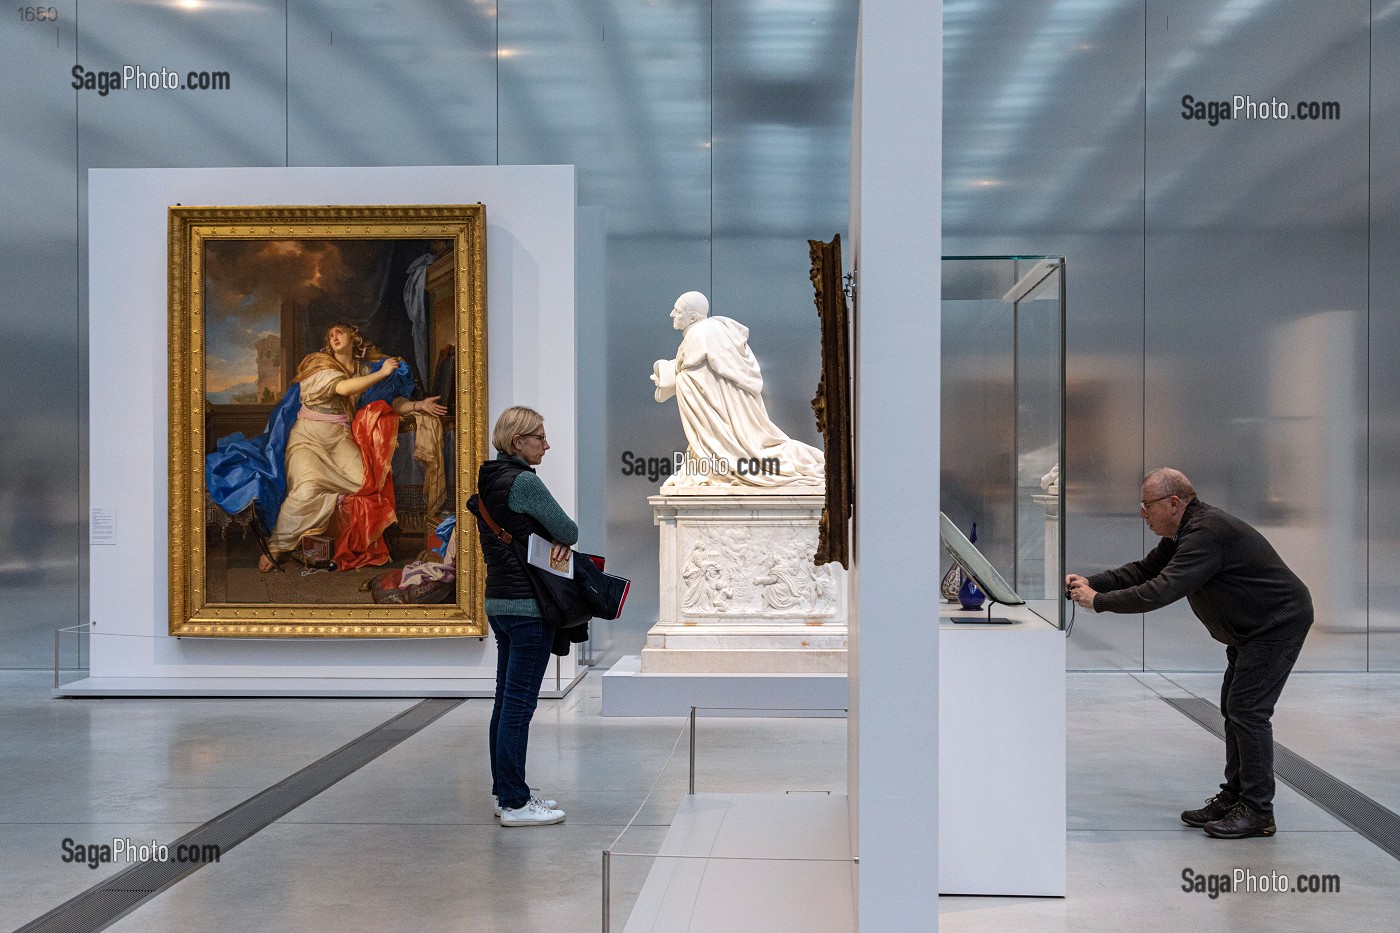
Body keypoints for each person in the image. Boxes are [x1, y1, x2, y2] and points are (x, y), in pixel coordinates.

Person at [1066, 468, 1313, 839]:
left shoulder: (1205, 535)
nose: (1142, 514)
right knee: (1235, 708)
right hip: (1252, 630)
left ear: (1174, 503)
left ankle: (1259, 810)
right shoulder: (1187, 531)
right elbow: (1146, 569)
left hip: (1276, 625)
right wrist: (1093, 582)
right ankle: (1235, 798)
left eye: (1147, 506)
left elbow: (1160, 590)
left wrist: (1099, 602)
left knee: (1247, 710)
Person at [258, 323, 447, 571]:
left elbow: (390, 402)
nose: (334, 337)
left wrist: (418, 406)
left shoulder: (366, 369)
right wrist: (382, 374)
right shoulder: (320, 364)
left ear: (353, 337)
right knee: (306, 489)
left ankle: (327, 533)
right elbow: (343, 388)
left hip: (338, 438)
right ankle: (276, 546)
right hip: (308, 439)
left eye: (340, 332)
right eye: (330, 335)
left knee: (362, 483)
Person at [473, 406, 578, 827]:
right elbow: (567, 530)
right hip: (528, 607)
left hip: (499, 602)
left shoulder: (490, 479)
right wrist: (558, 539)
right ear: (518, 442)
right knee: (518, 707)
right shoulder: (523, 483)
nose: (547, 444)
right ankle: (516, 803)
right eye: (540, 436)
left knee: (505, 703)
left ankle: (506, 792)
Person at [650, 291, 824, 489]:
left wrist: (673, 377)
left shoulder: (700, 334)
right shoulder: (715, 331)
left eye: (677, 311)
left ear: (692, 317)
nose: (672, 314)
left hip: (725, 421)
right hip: (728, 416)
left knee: (750, 454)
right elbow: (703, 375)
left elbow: (695, 378)